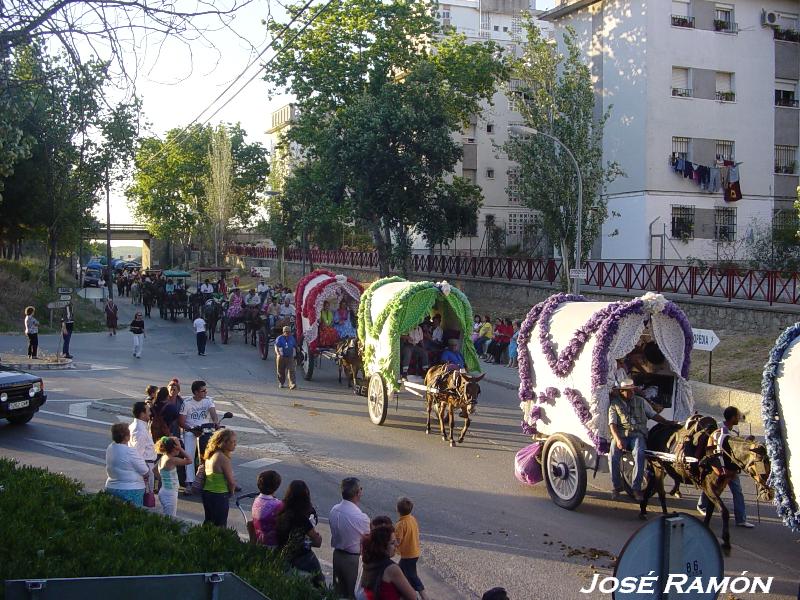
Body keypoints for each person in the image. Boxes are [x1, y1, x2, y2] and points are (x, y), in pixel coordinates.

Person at [609, 378, 675, 501]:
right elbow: (612, 424)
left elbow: (653, 415)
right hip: (621, 435)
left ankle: (636, 488)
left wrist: (667, 422)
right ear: (622, 391)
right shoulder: (615, 404)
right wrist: (617, 440)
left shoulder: (641, 401)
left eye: (633, 390)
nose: (632, 393)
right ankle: (616, 487)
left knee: (640, 454)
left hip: (637, 434)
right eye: (628, 391)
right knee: (613, 456)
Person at [697, 406, 755, 528]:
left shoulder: (734, 431)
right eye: (738, 416)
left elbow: (736, 447)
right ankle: (702, 506)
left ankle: (741, 519)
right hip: (718, 465)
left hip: (732, 467)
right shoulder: (717, 428)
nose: (739, 418)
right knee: (711, 487)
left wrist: (746, 441)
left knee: (737, 491)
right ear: (732, 417)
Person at [276, 480, 324, 587]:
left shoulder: (281, 513)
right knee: (319, 582)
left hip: (282, 556)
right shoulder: (301, 519)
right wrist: (316, 538)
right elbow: (317, 542)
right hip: (301, 557)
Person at [330, 477, 371, 599]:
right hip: (352, 560)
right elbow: (369, 538)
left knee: (338, 592)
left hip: (337, 555)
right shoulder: (360, 518)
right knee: (352, 594)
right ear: (358, 492)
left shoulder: (334, 509)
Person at [179, 380, 219, 494]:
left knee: (212, 454)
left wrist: (215, 422)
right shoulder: (186, 403)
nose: (206, 392)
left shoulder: (208, 400)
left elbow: (213, 414)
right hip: (191, 431)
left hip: (205, 430)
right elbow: (181, 422)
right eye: (203, 390)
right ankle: (189, 482)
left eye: (206, 390)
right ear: (196, 392)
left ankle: (209, 479)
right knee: (189, 455)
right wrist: (191, 429)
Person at [359, 524, 417, 600]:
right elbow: (413, 597)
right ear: (382, 546)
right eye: (392, 543)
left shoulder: (368, 562)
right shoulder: (391, 569)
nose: (396, 545)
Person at [105, 422, 149, 506]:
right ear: (126, 437)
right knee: (132, 515)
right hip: (130, 489)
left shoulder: (110, 448)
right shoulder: (130, 451)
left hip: (111, 486)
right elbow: (145, 471)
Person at [202, 428, 238, 527]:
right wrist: (232, 491)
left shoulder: (211, 455)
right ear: (223, 442)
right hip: (219, 494)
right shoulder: (223, 458)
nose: (235, 444)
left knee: (209, 522)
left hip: (207, 492)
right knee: (220, 525)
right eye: (232, 442)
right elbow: (231, 482)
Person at [395, 497, 428, 600]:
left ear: (397, 509)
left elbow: (398, 541)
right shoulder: (412, 519)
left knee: (411, 575)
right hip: (414, 552)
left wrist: (389, 543)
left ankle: (424, 596)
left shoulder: (400, 524)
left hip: (408, 555)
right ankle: (405, 593)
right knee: (402, 572)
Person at [154, 436, 192, 517]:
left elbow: (154, 469)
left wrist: (163, 479)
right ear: (175, 448)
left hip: (164, 490)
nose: (180, 448)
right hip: (169, 493)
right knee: (170, 519)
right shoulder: (172, 460)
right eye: (178, 446)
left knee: (166, 516)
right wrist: (181, 449)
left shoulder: (164, 457)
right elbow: (190, 460)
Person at [129, 401, 157, 497]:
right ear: (142, 414)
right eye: (148, 411)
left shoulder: (137, 426)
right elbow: (137, 454)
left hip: (146, 465)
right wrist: (145, 472)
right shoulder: (140, 430)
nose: (150, 413)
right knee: (145, 498)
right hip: (145, 466)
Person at [252, 470, 284, 548]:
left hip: (259, 541)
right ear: (276, 487)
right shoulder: (278, 504)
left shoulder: (256, 500)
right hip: (273, 544)